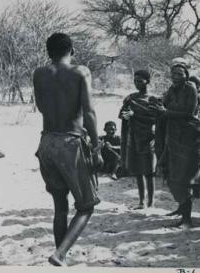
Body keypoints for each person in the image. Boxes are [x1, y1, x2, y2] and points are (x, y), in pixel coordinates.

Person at [33, 33, 103, 266]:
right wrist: (96, 146)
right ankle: (60, 254)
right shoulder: (80, 72)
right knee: (86, 206)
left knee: (60, 206)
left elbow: (42, 107)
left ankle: (60, 258)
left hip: (46, 142)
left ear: (48, 52)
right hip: (70, 143)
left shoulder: (39, 73)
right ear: (72, 50)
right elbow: (89, 111)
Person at [152, 58, 200, 228]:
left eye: (180, 74)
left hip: (189, 137)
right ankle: (181, 209)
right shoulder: (171, 90)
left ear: (186, 75)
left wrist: (167, 112)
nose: (176, 76)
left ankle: (187, 219)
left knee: (185, 176)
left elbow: (189, 111)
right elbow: (164, 104)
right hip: (173, 137)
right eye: (173, 74)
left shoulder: (191, 88)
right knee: (173, 174)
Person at [119, 70, 157, 209]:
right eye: (135, 81)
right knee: (138, 171)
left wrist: (135, 115)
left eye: (140, 81)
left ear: (147, 81)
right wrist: (126, 115)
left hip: (148, 138)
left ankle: (151, 202)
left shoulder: (152, 99)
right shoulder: (130, 98)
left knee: (149, 172)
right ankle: (141, 202)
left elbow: (155, 118)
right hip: (133, 137)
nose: (137, 84)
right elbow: (122, 115)